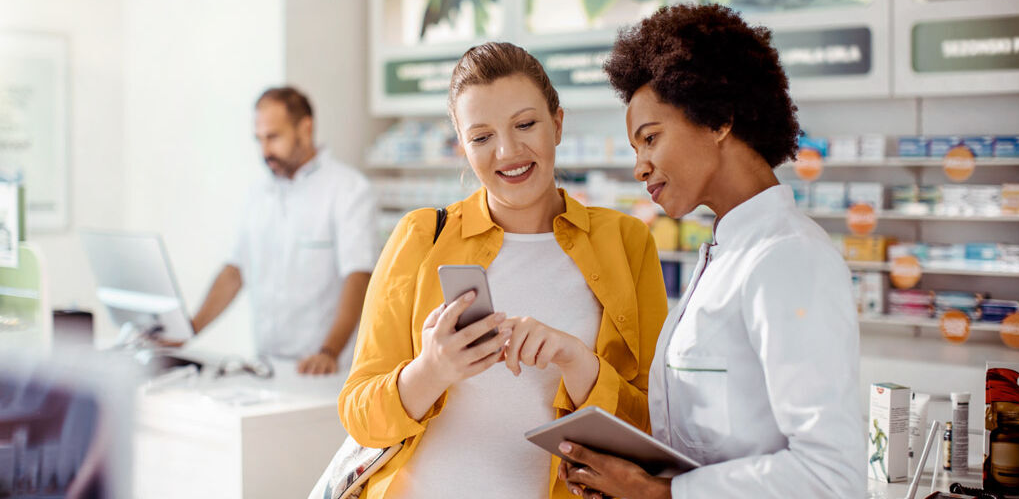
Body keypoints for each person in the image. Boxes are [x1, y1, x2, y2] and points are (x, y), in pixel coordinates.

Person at [556, 4, 865, 498]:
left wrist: (658, 494)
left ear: (718, 119)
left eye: (650, 138)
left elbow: (832, 477)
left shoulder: (788, 257)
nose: (641, 166)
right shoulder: (724, 253)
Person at [339, 42, 667, 499]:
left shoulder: (626, 242)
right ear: (463, 147)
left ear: (557, 124)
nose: (508, 152)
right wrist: (432, 369)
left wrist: (580, 363)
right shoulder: (421, 237)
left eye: (526, 124)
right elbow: (358, 413)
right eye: (481, 137)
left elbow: (656, 425)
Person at [190, 86, 377, 375]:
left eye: (273, 137)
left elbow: (359, 276)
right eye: (260, 140)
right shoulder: (258, 193)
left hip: (326, 367)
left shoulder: (348, 190)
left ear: (305, 128)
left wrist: (329, 352)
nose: (265, 151)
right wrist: (189, 329)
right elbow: (235, 271)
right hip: (266, 365)